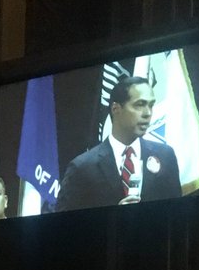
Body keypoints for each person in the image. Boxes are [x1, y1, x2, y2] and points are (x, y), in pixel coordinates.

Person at [56, 75, 182, 211]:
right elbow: (65, 225)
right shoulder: (82, 167)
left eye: (151, 105)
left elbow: (178, 213)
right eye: (140, 105)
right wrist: (114, 219)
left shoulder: (165, 156)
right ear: (116, 109)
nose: (148, 113)